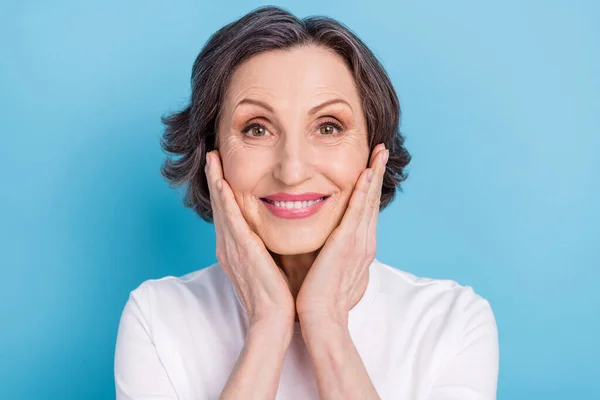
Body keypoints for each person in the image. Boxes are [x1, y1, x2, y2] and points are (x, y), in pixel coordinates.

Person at [114, 6, 499, 400]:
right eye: (257, 129)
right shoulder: (158, 317)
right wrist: (268, 324)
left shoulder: (452, 323)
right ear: (213, 156)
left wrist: (326, 319)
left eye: (328, 127)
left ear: (374, 153)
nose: (292, 170)